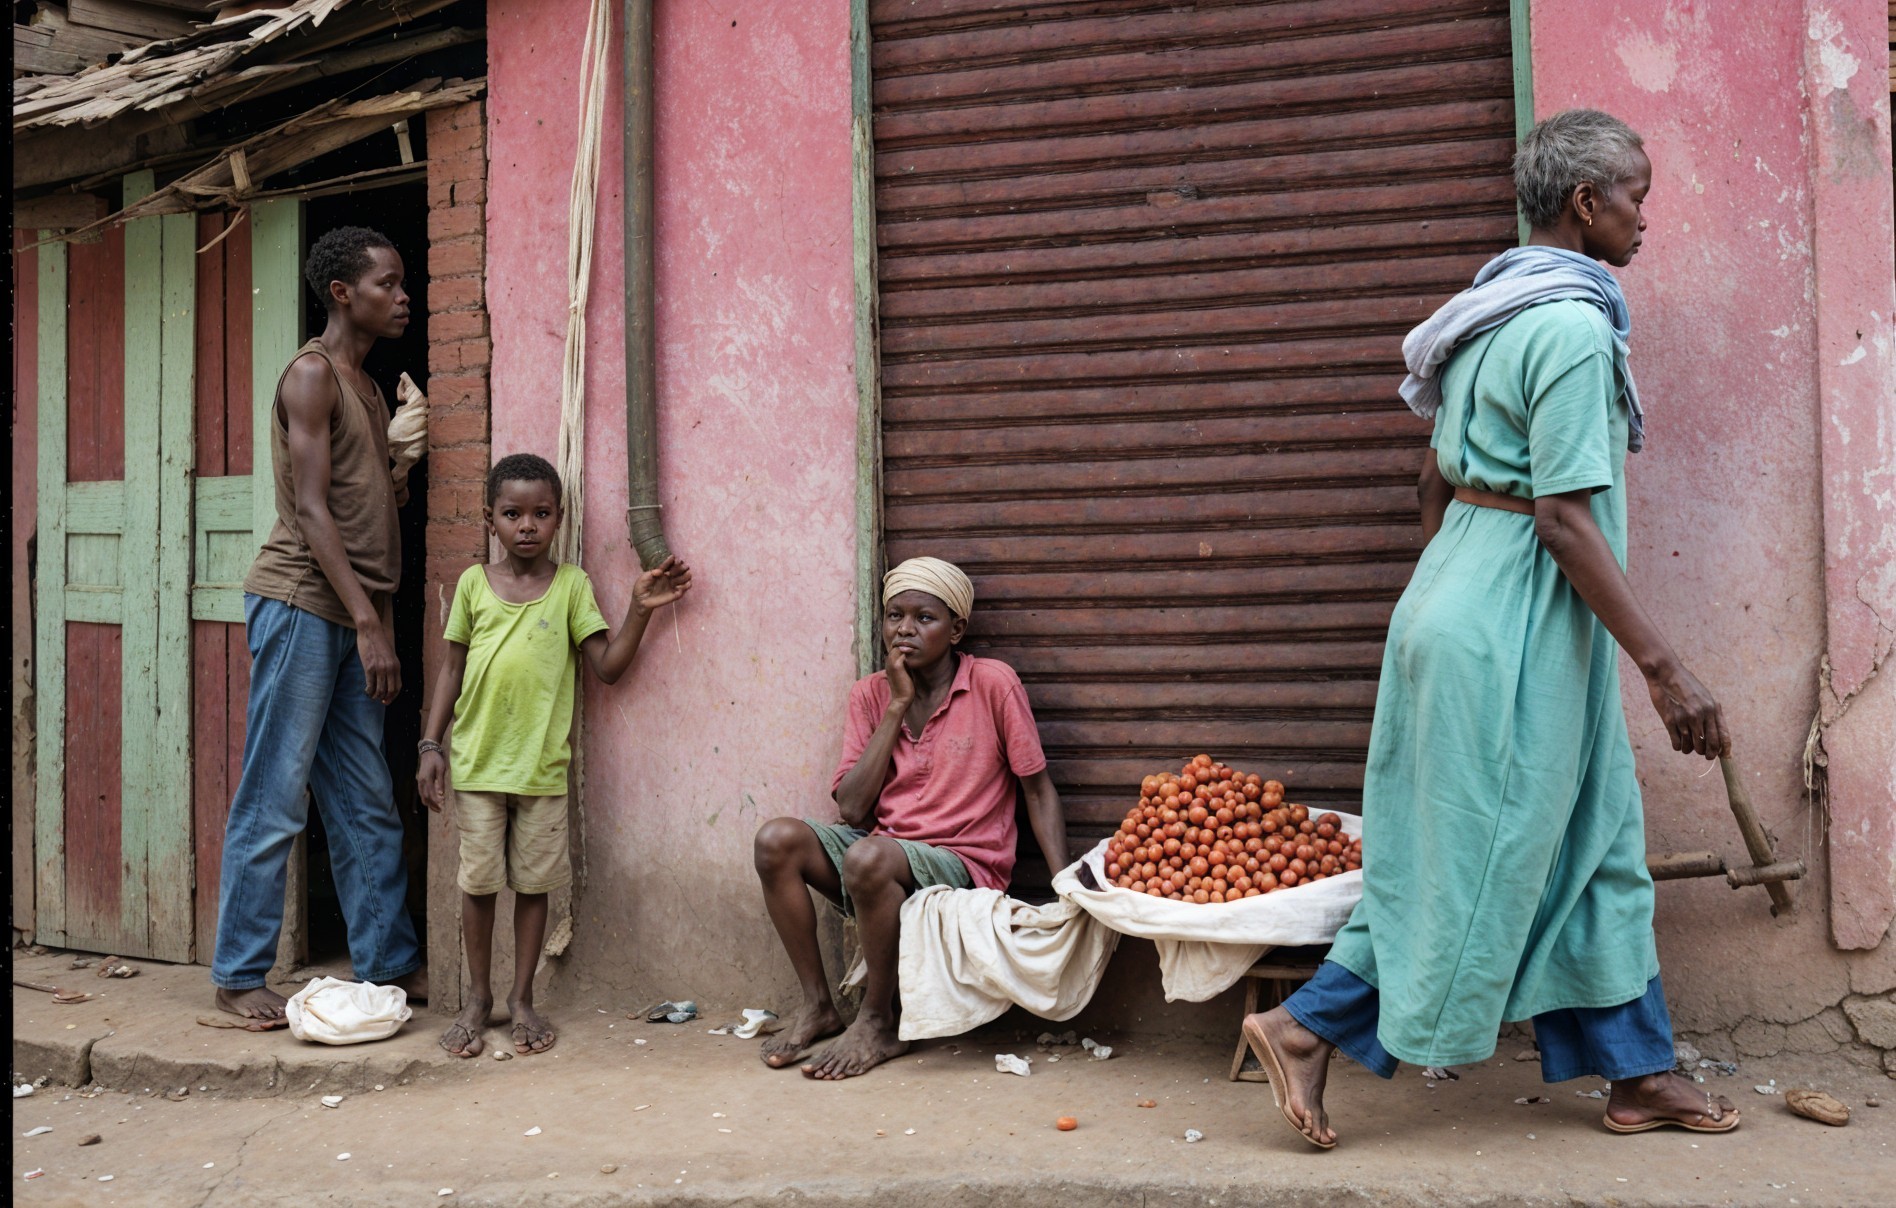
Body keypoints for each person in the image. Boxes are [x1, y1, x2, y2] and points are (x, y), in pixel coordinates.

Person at [1242, 110, 1741, 1148]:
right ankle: (1305, 1024)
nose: (1648, 217)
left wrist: (1450, 585)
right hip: (1509, 620)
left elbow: (1431, 478)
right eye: (1637, 196)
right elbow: (1563, 516)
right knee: (1475, 858)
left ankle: (1638, 1070)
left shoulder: (1490, 311)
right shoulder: (1565, 328)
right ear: (1586, 203)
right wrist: (1665, 667)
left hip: (1468, 596)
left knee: (1595, 840)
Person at [212, 226, 424, 1020]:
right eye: (388, 284)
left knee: (365, 792)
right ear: (343, 294)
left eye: (402, 284)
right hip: (304, 604)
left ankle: (388, 962)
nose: (403, 297)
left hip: (351, 609)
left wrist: (400, 464)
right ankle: (238, 973)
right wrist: (370, 624)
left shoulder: (366, 387)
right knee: (275, 793)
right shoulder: (312, 375)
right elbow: (308, 511)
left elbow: (363, 505)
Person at [752, 557, 1070, 1079]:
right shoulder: (872, 694)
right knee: (776, 840)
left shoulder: (993, 684)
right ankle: (818, 1005)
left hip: (964, 861)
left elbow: (1037, 789)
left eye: (925, 618)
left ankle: (879, 1020)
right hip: (880, 853)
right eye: (895, 616)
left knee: (869, 855)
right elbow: (853, 809)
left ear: (957, 629)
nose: (905, 629)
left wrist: (1064, 887)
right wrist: (897, 704)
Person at [418, 454, 692, 1057]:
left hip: (541, 770)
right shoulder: (471, 585)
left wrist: (640, 610)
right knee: (479, 883)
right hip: (480, 766)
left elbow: (608, 669)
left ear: (559, 520)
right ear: (489, 518)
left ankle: (522, 999)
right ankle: (476, 999)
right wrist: (430, 745)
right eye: (512, 513)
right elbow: (452, 670)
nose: (526, 526)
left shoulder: (571, 587)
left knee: (534, 885)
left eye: (541, 514)